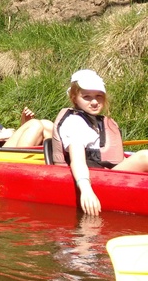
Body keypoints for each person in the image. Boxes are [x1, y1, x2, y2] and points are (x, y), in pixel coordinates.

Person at [50, 70, 148, 216]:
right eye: (87, 97)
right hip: (94, 177)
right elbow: (77, 160)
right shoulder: (74, 123)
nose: (94, 102)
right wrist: (86, 189)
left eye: (99, 96)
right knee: (144, 157)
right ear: (74, 98)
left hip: (107, 174)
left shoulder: (96, 121)